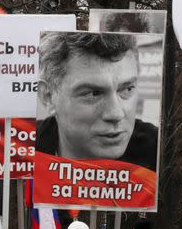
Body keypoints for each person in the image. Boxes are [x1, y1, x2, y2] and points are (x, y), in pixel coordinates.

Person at [36, 31, 158, 171]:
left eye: (127, 89)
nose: (116, 114)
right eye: (94, 93)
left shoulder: (161, 152)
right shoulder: (21, 150)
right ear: (48, 97)